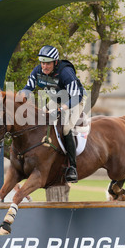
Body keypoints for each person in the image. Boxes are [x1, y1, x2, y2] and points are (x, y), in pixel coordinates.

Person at [20, 45, 87, 183]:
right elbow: (28, 88)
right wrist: (18, 99)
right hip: (56, 98)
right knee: (40, 118)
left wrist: (60, 109)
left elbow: (75, 97)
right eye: (42, 62)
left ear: (55, 62)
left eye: (48, 63)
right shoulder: (38, 70)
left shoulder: (65, 72)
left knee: (67, 128)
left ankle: (72, 168)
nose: (44, 66)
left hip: (76, 100)